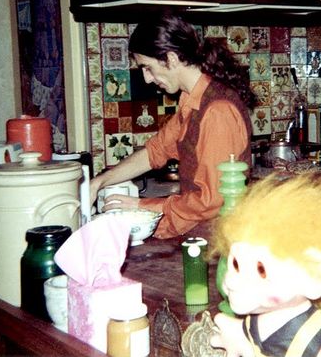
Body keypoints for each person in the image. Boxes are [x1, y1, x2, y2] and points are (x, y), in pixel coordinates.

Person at [90, 13, 255, 238]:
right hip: (199, 232)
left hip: (219, 239)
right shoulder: (190, 99)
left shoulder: (217, 111)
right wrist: (100, 182)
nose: (147, 79)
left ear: (171, 59)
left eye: (147, 67)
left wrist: (141, 205)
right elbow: (156, 150)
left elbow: (210, 202)